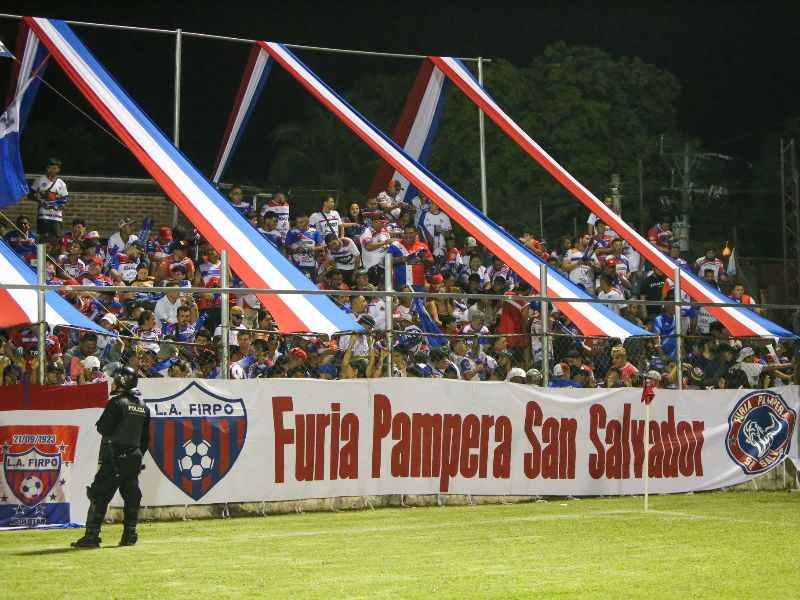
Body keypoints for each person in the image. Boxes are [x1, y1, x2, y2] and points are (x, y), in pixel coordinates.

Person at [71, 367, 150, 548]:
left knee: (98, 495)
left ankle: (91, 537)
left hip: (114, 456)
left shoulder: (116, 403)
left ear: (122, 382)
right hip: (134, 458)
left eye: (115, 380)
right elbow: (145, 439)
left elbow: (103, 428)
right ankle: (130, 535)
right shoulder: (143, 407)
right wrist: (136, 456)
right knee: (132, 496)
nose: (112, 384)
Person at [30, 157, 69, 236]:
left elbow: (64, 200)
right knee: (42, 238)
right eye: (50, 168)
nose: (51, 170)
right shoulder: (39, 180)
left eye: (54, 168)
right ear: (47, 168)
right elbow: (30, 195)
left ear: (58, 170)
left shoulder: (61, 183)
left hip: (56, 217)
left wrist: (55, 203)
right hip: (43, 216)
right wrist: (39, 200)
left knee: (56, 239)